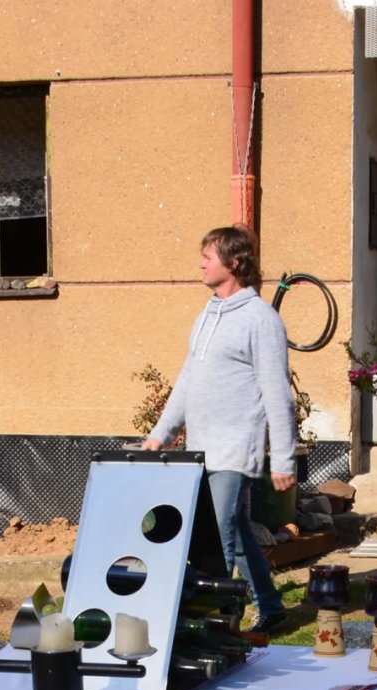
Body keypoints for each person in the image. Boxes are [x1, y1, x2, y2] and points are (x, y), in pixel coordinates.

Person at [140, 225, 294, 632]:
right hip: (201, 446)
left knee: (217, 540)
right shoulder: (206, 316)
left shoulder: (261, 320)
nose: (201, 264)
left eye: (208, 257)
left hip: (234, 447)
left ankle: (218, 626)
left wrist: (282, 458)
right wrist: (160, 434)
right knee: (237, 530)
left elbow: (277, 392)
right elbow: (187, 381)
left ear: (234, 262)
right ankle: (270, 605)